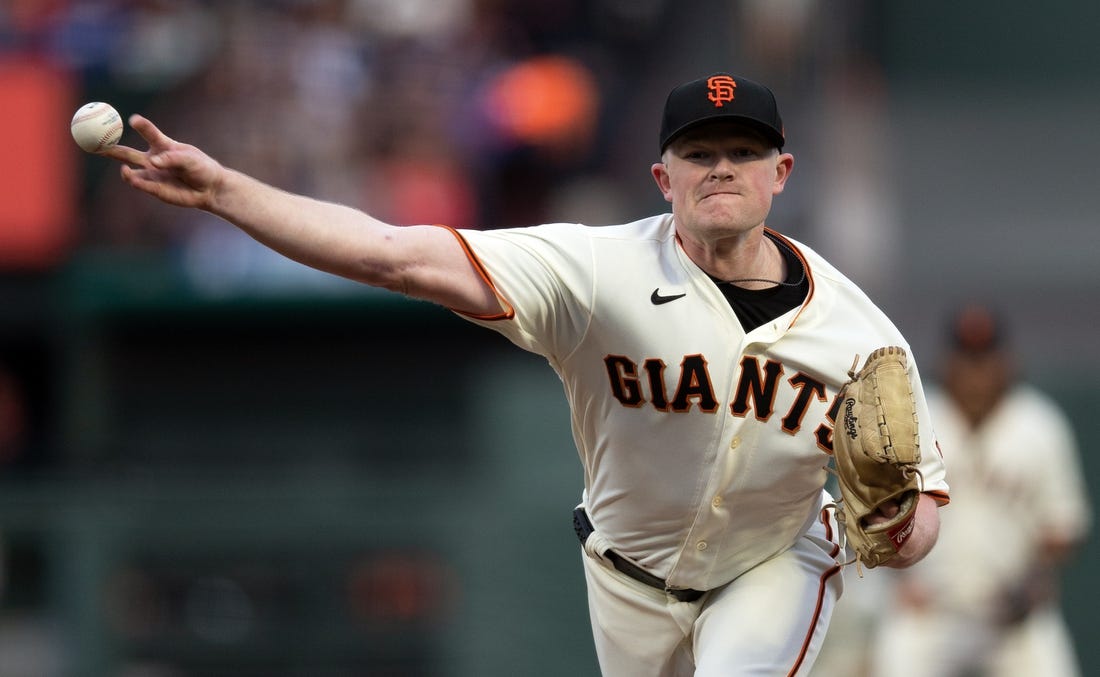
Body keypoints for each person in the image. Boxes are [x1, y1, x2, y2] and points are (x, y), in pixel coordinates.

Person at [101, 72, 949, 676]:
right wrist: (225, 194)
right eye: (699, 153)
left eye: (743, 149)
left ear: (781, 174)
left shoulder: (863, 337)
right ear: (663, 178)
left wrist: (899, 525)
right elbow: (395, 255)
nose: (721, 167)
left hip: (776, 559)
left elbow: (919, 524)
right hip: (626, 572)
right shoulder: (594, 270)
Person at [868, 304, 1091, 677]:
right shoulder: (911, 422)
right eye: (967, 360)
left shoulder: (1039, 425)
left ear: (1006, 362)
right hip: (928, 610)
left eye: (985, 360)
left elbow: (1063, 525)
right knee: (896, 655)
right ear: (947, 363)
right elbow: (873, 513)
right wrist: (898, 577)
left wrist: (1036, 579)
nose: (976, 374)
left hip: (1010, 614)